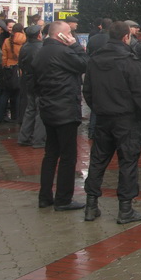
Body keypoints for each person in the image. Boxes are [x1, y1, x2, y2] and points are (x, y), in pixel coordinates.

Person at [82, 20, 141, 223]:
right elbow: (140, 94)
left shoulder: (94, 59)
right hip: (125, 118)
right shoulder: (131, 61)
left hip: (103, 117)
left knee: (98, 160)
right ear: (126, 36)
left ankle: (91, 205)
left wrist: (99, 108)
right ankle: (125, 209)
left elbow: (88, 91)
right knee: (128, 162)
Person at [33, 20, 89, 211]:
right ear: (61, 35)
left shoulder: (40, 52)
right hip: (65, 108)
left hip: (48, 107)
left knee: (50, 154)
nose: (72, 36)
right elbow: (85, 64)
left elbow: (32, 83)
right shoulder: (63, 51)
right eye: (69, 33)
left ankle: (45, 196)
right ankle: (63, 199)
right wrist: (74, 45)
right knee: (67, 156)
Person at [16, 25, 46, 148]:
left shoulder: (24, 47)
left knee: (30, 110)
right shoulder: (41, 48)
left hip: (28, 82)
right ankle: (39, 139)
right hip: (39, 83)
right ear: (39, 34)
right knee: (40, 111)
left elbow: (21, 65)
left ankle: (24, 137)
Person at [0, 22, 25, 123]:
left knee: (6, 93)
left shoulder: (7, 40)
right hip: (20, 69)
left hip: (9, 69)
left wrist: (5, 66)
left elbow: (3, 56)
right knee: (18, 94)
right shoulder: (25, 39)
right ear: (22, 30)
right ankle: (16, 116)